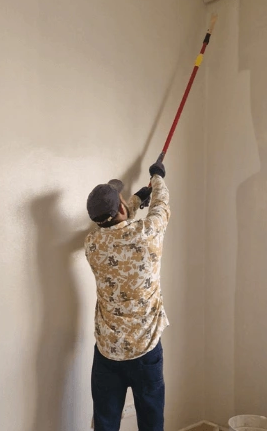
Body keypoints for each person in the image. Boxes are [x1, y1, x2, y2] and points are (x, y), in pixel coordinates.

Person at [84, 156, 170, 431]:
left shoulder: (92, 245)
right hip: (145, 349)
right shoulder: (148, 233)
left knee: (106, 424)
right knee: (151, 423)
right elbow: (161, 205)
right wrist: (157, 177)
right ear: (121, 207)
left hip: (108, 352)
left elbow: (113, 222)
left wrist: (136, 198)